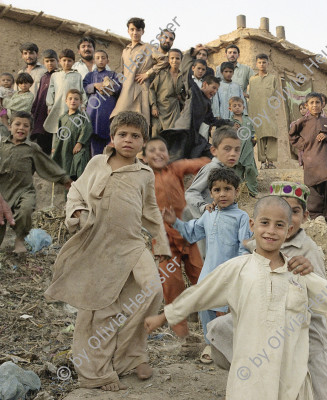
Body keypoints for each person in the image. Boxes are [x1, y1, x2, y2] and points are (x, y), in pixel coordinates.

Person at [144, 195, 327, 400]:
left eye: (279, 225)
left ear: (289, 230)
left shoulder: (298, 272)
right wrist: (164, 317)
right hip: (250, 376)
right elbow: (199, 294)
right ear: (252, 225)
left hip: (291, 373)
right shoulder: (238, 268)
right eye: (264, 223)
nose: (271, 231)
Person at [44, 111, 171, 391]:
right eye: (123, 134)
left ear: (143, 143)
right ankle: (96, 371)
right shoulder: (96, 163)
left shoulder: (144, 173)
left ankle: (129, 356)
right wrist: (76, 212)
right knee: (99, 308)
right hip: (98, 245)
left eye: (135, 136)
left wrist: (160, 244)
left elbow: (150, 210)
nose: (128, 139)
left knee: (152, 291)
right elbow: (75, 191)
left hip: (131, 243)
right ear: (112, 137)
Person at [206, 181, 327, 400]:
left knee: (319, 387)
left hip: (304, 327)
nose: (287, 217)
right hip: (263, 320)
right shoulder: (260, 244)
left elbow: (319, 298)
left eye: (294, 212)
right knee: (221, 331)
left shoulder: (308, 252)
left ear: (305, 216)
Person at [163, 168, 251, 362]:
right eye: (217, 190)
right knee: (205, 307)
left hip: (232, 273)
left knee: (233, 310)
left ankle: (235, 347)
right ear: (210, 193)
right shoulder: (209, 215)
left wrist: (239, 271)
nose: (222, 194)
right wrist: (175, 222)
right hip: (209, 272)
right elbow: (192, 232)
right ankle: (211, 346)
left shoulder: (241, 217)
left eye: (227, 189)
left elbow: (244, 247)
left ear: (237, 191)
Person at [143, 136, 209, 337]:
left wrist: (214, 161)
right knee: (172, 285)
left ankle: (215, 324)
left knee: (202, 278)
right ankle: (182, 334)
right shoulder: (142, 177)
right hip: (163, 242)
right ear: (144, 158)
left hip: (186, 235)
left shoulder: (175, 169)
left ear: (169, 154)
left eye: (161, 149)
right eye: (151, 151)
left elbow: (202, 163)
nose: (157, 154)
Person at [0, 111, 71, 253]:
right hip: (3, 192)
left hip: (24, 191)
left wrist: (64, 179)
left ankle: (20, 240)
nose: (21, 128)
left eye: (25, 126)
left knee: (26, 210)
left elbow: (47, 165)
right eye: (17, 124)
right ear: (10, 126)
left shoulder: (32, 148)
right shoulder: (1, 145)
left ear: (31, 130)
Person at [289, 92, 327, 225]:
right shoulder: (302, 122)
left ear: (322, 105)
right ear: (307, 105)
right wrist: (303, 144)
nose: (315, 105)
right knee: (313, 187)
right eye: (312, 103)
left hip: (325, 159)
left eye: (318, 102)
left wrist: (326, 136)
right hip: (310, 159)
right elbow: (292, 135)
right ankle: (316, 214)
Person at [110, 18, 169, 125]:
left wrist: (148, 74)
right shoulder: (125, 50)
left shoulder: (147, 47)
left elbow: (164, 60)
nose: (135, 32)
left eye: (138, 30)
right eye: (132, 29)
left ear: (142, 31)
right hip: (126, 89)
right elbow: (122, 71)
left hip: (141, 89)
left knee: (140, 123)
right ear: (128, 31)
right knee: (120, 120)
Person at [164, 75, 232, 160]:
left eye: (216, 89)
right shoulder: (195, 92)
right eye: (213, 88)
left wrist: (229, 122)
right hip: (182, 133)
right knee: (177, 161)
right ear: (205, 84)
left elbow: (210, 120)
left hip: (194, 136)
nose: (215, 91)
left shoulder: (207, 102)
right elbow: (187, 75)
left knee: (213, 154)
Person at [185, 126, 241, 219]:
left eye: (237, 150)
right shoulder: (212, 169)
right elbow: (191, 193)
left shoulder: (226, 170)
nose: (233, 154)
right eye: (227, 149)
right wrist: (204, 206)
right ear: (214, 151)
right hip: (201, 222)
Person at [83, 50, 122, 156]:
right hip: (93, 111)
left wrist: (108, 85)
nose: (101, 60)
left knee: (108, 134)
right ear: (94, 60)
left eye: (103, 58)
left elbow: (118, 88)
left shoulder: (113, 74)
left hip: (108, 110)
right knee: (93, 136)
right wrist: (95, 85)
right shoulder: (90, 75)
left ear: (108, 61)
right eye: (98, 58)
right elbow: (85, 87)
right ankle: (94, 164)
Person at [44, 49, 87, 136]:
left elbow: (81, 91)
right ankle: (56, 149)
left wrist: (83, 105)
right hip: (58, 106)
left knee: (72, 129)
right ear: (59, 61)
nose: (66, 63)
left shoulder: (77, 76)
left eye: (69, 61)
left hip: (73, 106)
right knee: (57, 128)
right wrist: (50, 105)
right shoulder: (55, 75)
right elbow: (51, 91)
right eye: (64, 60)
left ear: (73, 62)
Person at [52, 89, 92, 180]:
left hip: (78, 149)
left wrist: (79, 143)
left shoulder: (83, 116)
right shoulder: (62, 118)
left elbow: (86, 129)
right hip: (65, 148)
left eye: (76, 99)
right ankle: (67, 193)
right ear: (66, 101)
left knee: (79, 171)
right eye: (70, 99)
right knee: (66, 172)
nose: (73, 101)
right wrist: (55, 147)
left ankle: (79, 192)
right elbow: (59, 134)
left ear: (81, 102)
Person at [248, 54, 278, 169]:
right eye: (259, 62)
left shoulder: (273, 78)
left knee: (271, 135)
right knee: (259, 136)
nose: (262, 64)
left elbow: (277, 94)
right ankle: (262, 162)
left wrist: (272, 108)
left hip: (269, 112)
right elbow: (251, 96)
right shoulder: (252, 80)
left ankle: (271, 161)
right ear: (256, 64)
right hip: (256, 112)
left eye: (264, 62)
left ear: (268, 64)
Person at [149, 48, 185, 137]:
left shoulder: (183, 76)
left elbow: (186, 93)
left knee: (172, 135)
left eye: (177, 58)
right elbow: (152, 89)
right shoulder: (162, 74)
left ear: (181, 60)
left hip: (174, 110)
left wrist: (181, 98)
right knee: (155, 133)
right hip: (159, 109)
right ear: (168, 60)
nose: (174, 61)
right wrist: (153, 106)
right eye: (172, 58)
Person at [30, 50, 59, 154]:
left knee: (52, 143)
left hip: (52, 113)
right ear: (43, 62)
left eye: (52, 61)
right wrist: (34, 110)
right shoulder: (44, 77)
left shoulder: (59, 76)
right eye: (47, 61)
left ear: (57, 61)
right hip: (40, 114)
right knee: (41, 144)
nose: (50, 63)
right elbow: (39, 96)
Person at [230, 97, 258, 197]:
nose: (237, 108)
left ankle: (252, 192)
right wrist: (232, 129)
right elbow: (226, 134)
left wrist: (254, 138)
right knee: (237, 171)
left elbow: (253, 132)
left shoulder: (248, 120)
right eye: (234, 106)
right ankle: (239, 193)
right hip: (236, 150)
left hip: (248, 149)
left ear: (244, 107)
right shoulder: (230, 121)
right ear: (230, 108)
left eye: (239, 106)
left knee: (250, 169)